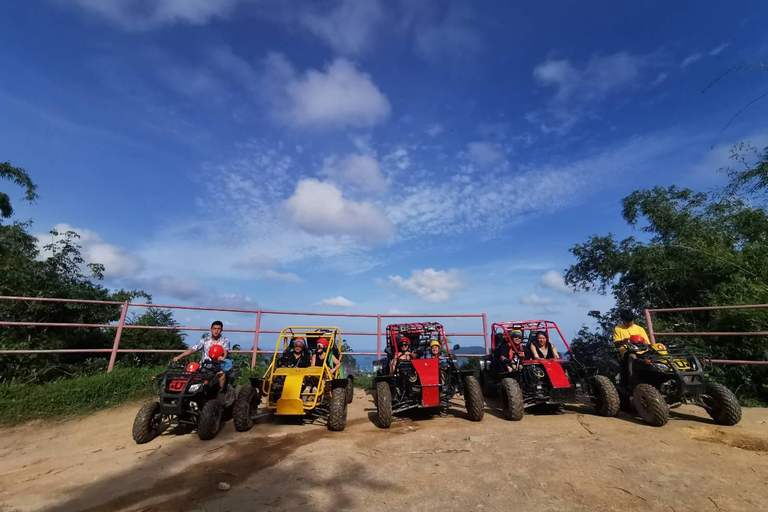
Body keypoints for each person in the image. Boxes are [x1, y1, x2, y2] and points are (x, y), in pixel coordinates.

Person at [174, 320, 230, 390]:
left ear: (221, 330)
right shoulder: (205, 340)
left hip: (217, 366)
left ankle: (220, 393)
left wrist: (222, 357)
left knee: (222, 374)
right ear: (211, 329)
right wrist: (179, 356)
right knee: (189, 375)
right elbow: (193, 349)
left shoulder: (225, 341)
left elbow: (225, 350)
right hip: (204, 366)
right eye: (214, 329)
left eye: (218, 329)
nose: (216, 331)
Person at [613, 309, 650, 384]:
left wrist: (642, 342)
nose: (630, 323)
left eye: (631, 321)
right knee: (632, 356)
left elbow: (647, 343)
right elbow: (616, 343)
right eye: (627, 322)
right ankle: (632, 378)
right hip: (627, 350)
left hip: (641, 349)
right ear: (623, 320)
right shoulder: (618, 329)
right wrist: (623, 341)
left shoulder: (639, 329)